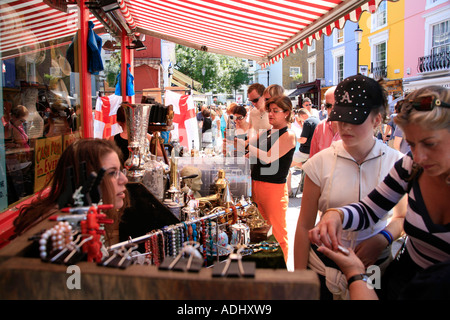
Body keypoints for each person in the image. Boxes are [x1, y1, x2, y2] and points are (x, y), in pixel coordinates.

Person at [308, 85, 450, 300]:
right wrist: (337, 215)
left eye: (430, 144)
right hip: (402, 281)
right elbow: (369, 209)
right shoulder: (410, 165)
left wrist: (358, 272)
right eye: (411, 144)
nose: (419, 156)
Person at [293, 74, 406, 300]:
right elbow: (304, 224)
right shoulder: (320, 162)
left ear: (377, 120)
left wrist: (382, 238)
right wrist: (298, 280)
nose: (344, 127)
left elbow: (401, 218)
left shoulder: (398, 164)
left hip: (374, 267)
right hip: (323, 268)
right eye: (339, 118)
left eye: (354, 119)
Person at [12, 139, 129, 246]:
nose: (124, 179)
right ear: (84, 177)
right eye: (112, 173)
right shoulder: (60, 230)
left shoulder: (82, 216)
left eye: (120, 171)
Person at [236, 95, 296, 261]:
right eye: (270, 111)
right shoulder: (269, 132)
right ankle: (265, 265)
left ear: (286, 113)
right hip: (257, 185)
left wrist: (249, 148)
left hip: (274, 189)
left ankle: (281, 269)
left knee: (277, 232)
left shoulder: (288, 134)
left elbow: (269, 157)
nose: (271, 114)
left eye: (275, 111)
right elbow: (249, 146)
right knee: (259, 230)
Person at [308, 86, 341, 158]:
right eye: (329, 106)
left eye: (337, 105)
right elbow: (313, 159)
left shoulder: (355, 129)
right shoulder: (320, 127)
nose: (333, 109)